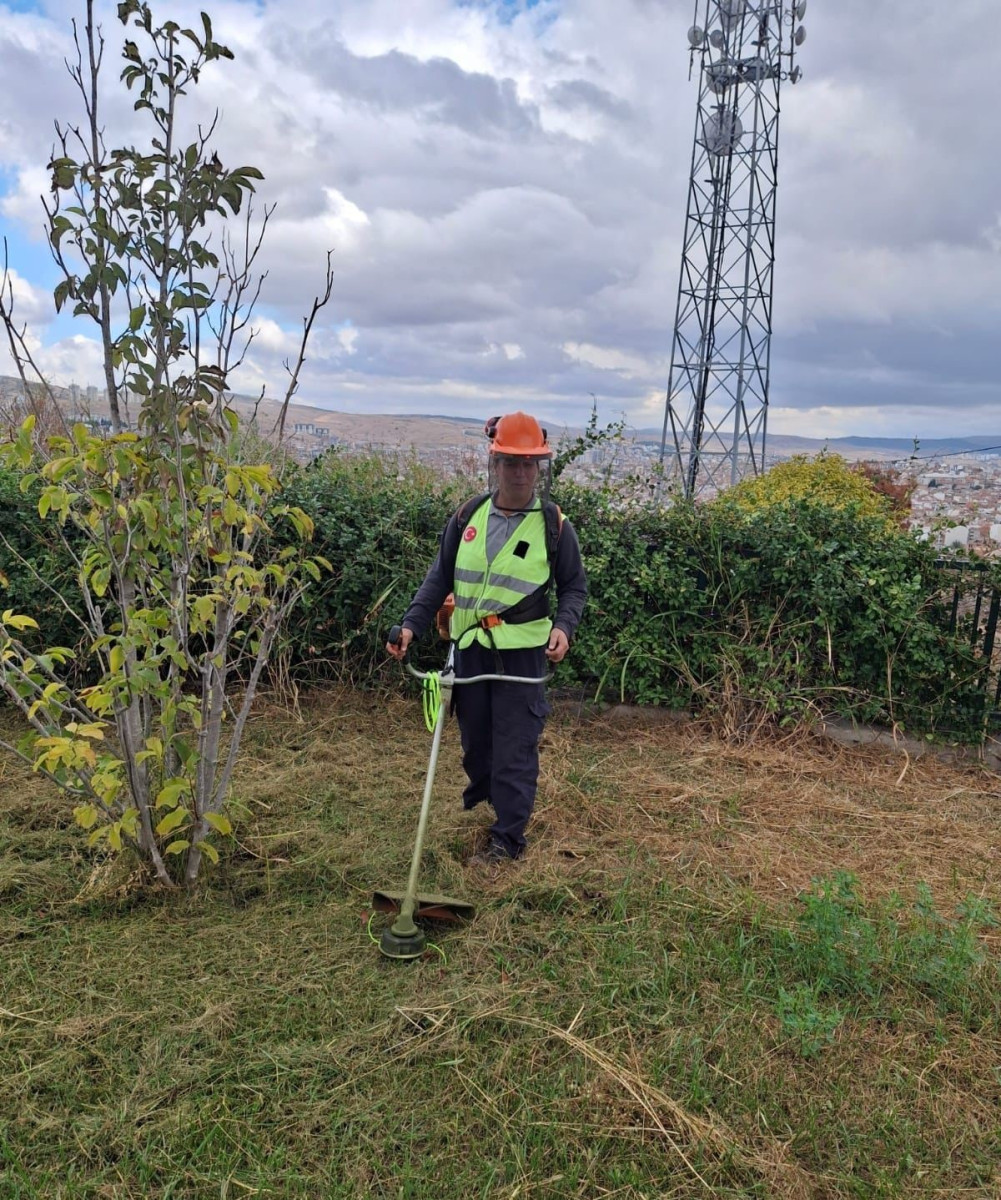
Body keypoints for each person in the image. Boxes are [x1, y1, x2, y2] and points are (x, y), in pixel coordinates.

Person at [386, 412, 587, 865]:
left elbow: (574, 586)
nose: (520, 473)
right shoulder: (466, 518)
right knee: (477, 745)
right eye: (511, 463)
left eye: (529, 464)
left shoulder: (555, 526)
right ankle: (487, 806)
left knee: (515, 746)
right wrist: (410, 627)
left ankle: (507, 841)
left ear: (540, 468)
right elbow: (437, 580)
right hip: (469, 653)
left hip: (522, 659)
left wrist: (563, 626)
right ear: (494, 464)